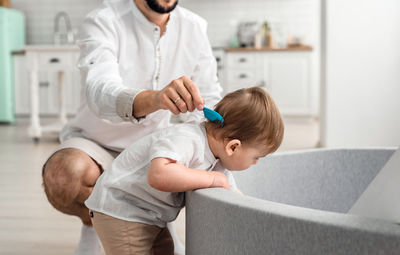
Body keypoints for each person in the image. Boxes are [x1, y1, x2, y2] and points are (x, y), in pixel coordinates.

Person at [41, 0, 222, 254]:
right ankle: (93, 223)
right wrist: (156, 99)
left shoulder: (194, 27)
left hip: (150, 147)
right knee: (63, 175)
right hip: (95, 143)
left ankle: (155, 223)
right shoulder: (104, 20)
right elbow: (100, 91)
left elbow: (210, 95)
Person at [86, 87, 285, 255]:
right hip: (121, 209)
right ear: (233, 146)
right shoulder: (187, 139)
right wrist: (210, 179)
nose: (256, 163)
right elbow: (159, 175)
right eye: (256, 157)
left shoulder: (219, 162)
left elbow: (234, 197)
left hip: (151, 216)